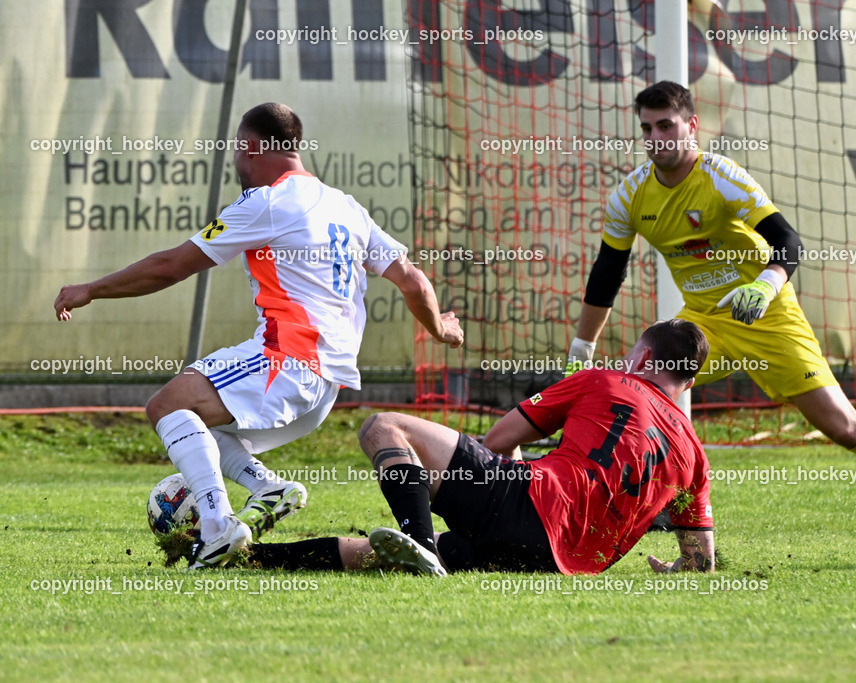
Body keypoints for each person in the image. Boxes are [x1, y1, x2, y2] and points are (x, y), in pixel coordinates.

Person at [568, 81, 856, 533]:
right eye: (647, 128)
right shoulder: (629, 195)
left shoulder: (720, 175)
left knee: (844, 428)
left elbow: (787, 240)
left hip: (768, 315)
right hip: (703, 324)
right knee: (634, 390)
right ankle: (638, 506)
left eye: (667, 125)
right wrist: (583, 346)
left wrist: (764, 285)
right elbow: (608, 272)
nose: (656, 138)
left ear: (691, 126)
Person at [54, 103, 465, 569]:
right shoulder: (347, 207)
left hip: (286, 361)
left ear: (249, 148)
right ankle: (267, 487)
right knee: (199, 424)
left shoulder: (267, 202)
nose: (235, 161)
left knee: (167, 407)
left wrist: (91, 289)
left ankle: (216, 528)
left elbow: (171, 266)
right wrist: (440, 328)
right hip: (325, 388)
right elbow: (413, 281)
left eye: (236, 151)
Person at [248, 319, 715, 576]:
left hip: (529, 505)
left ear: (644, 358)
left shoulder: (604, 380)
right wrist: (676, 568)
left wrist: (517, 479)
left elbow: (498, 440)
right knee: (375, 555)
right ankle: (252, 557)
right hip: (558, 565)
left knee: (382, 426)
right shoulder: (695, 454)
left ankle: (420, 544)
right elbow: (701, 561)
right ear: (687, 382)